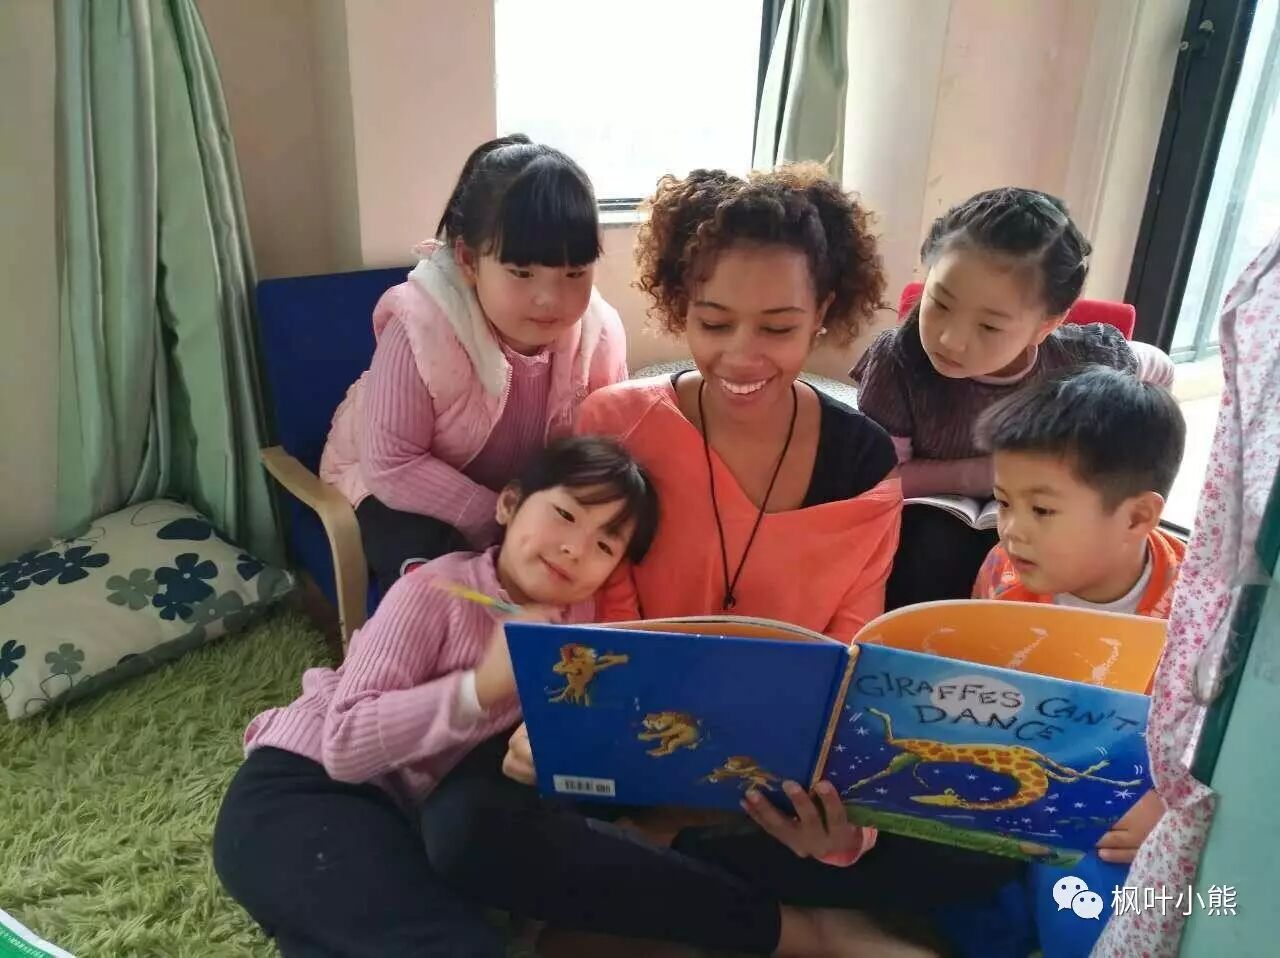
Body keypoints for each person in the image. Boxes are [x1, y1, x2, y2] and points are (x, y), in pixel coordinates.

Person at [420, 166, 1018, 956]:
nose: (741, 355)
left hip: (777, 790)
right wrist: (569, 736)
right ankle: (802, 932)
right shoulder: (617, 425)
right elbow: (599, 625)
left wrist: (840, 823)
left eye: (777, 327)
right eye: (713, 322)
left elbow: (850, 658)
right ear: (681, 307)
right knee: (464, 828)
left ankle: (658, 891)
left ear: (824, 312)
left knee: (990, 836)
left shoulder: (863, 460)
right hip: (627, 761)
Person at [212, 438, 658, 957]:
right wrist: (479, 689)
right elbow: (344, 745)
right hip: (301, 789)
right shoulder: (433, 591)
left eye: (605, 546)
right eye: (564, 514)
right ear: (509, 505)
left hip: (399, 827)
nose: (575, 549)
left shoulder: (577, 628)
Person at [319, 134, 628, 591]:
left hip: (519, 501)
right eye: (521, 273)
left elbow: (602, 456)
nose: (550, 298)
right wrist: (494, 516)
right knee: (430, 557)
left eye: (574, 273)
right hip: (393, 486)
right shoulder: (420, 327)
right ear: (468, 260)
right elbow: (392, 464)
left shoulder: (598, 335)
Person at [852, 187, 1174, 609]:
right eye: (940, 303)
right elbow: (881, 475)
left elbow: (1158, 369)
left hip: (1038, 517)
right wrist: (977, 475)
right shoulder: (897, 361)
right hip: (932, 519)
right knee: (931, 550)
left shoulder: (1084, 359)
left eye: (989, 327)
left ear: (1047, 325)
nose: (950, 339)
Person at [970, 365, 1187, 958]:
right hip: (1016, 787)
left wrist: (1169, 806)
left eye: (1042, 511)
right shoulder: (1003, 577)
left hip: (1123, 811)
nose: (1012, 531)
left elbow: (1217, 740)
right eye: (1003, 502)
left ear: (1137, 517)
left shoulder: (1197, 607)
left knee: (1086, 915)